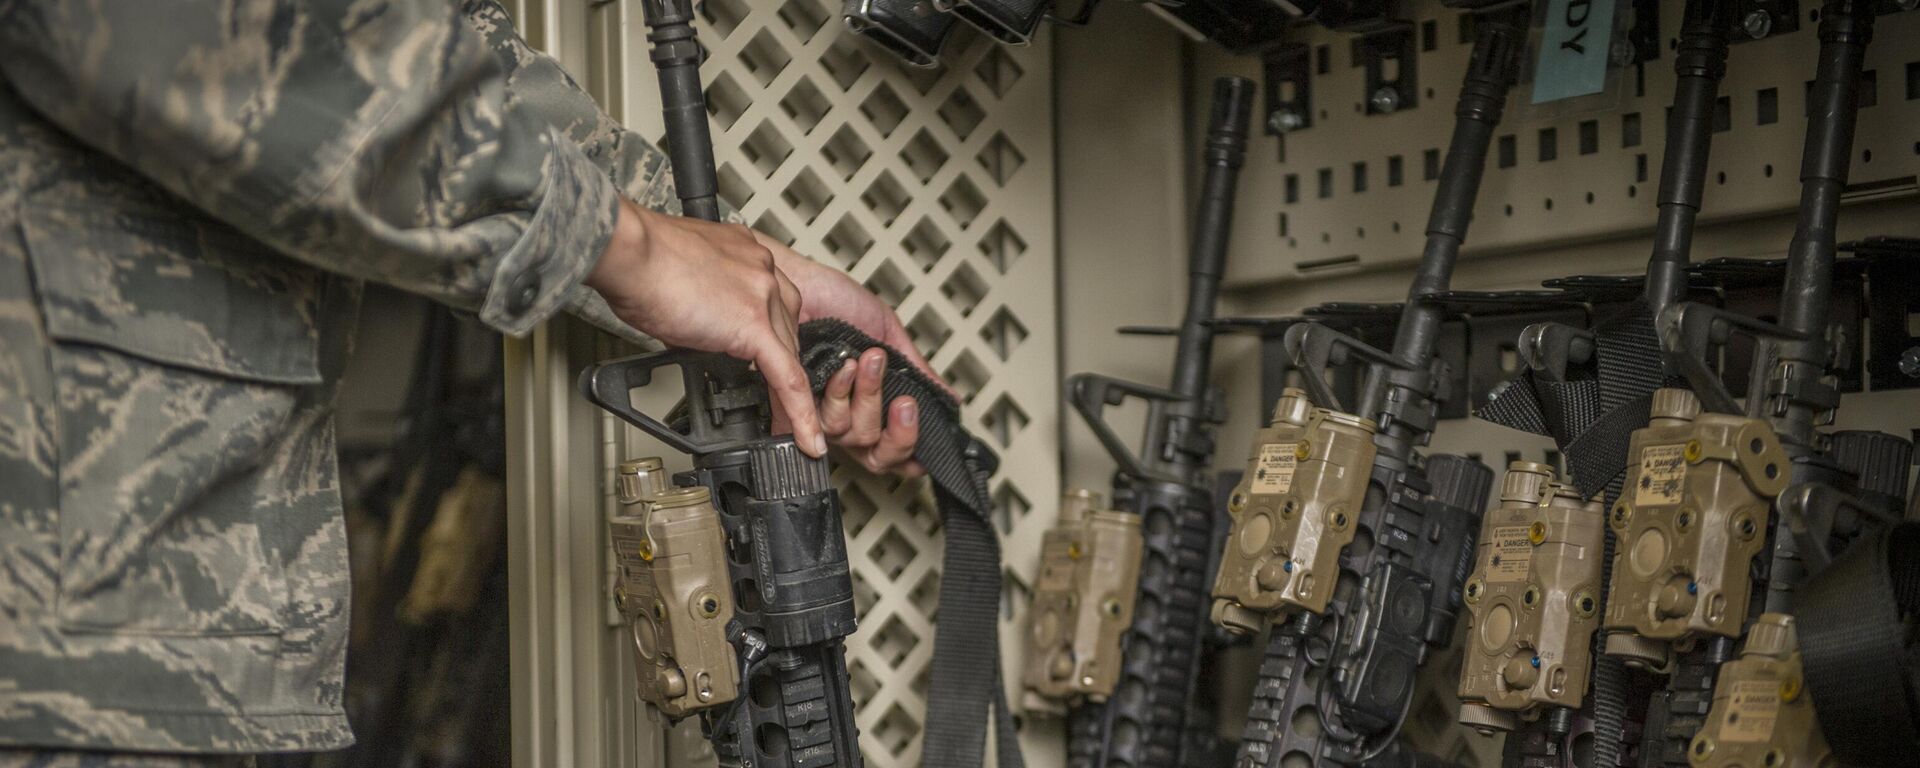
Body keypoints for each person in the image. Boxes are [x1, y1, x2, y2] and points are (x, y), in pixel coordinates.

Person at [0, 0, 937, 763]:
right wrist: (629, 248)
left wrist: (755, 280)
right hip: (74, 631)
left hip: (138, 623)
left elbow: (409, 40)